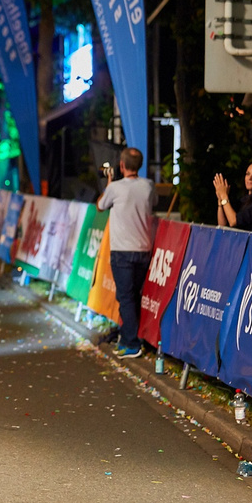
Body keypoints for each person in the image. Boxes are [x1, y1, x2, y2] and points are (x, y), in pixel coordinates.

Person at [96, 147, 157, 359]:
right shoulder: (148, 185)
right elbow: (153, 204)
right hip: (143, 250)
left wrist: (110, 183)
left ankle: (131, 343)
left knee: (126, 297)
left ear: (121, 166)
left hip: (122, 251)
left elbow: (100, 205)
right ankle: (129, 336)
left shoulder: (115, 188)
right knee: (134, 296)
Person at [213, 161, 252, 233]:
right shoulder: (243, 200)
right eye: (248, 174)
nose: (249, 178)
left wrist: (224, 196)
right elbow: (222, 225)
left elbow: (233, 221)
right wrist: (220, 201)